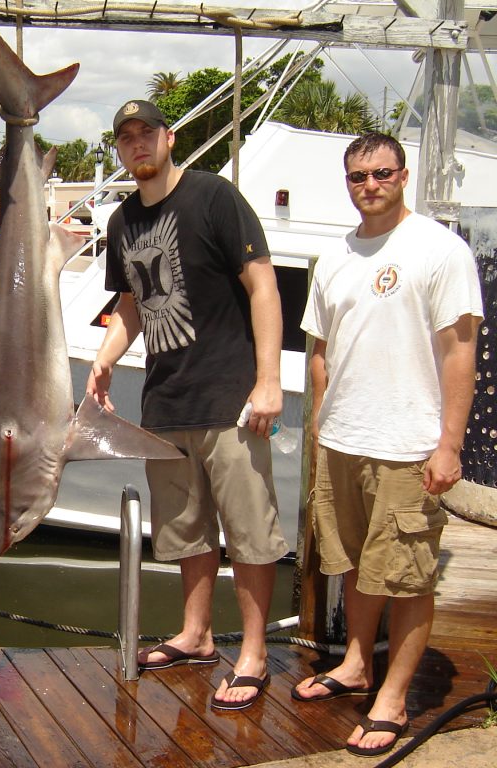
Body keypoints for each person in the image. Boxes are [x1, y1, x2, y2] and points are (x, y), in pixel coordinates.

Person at [85, 100, 289, 710]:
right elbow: (130, 303)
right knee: (185, 529)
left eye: (146, 132)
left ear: (168, 138)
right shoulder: (122, 221)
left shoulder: (213, 197)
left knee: (249, 532)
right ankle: (196, 634)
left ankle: (252, 654)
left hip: (231, 398)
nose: (137, 144)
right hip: (165, 402)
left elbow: (262, 283)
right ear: (120, 150)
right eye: (125, 138)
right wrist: (104, 356)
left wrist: (270, 379)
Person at [292, 132, 483, 757]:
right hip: (343, 441)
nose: (369, 185)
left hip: (409, 445)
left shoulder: (441, 250)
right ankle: (354, 665)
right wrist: (319, 426)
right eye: (357, 176)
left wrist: (449, 445)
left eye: (381, 173)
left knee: (407, 575)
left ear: (404, 175)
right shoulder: (335, 256)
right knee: (360, 568)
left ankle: (393, 698)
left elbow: (461, 351)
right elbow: (320, 351)